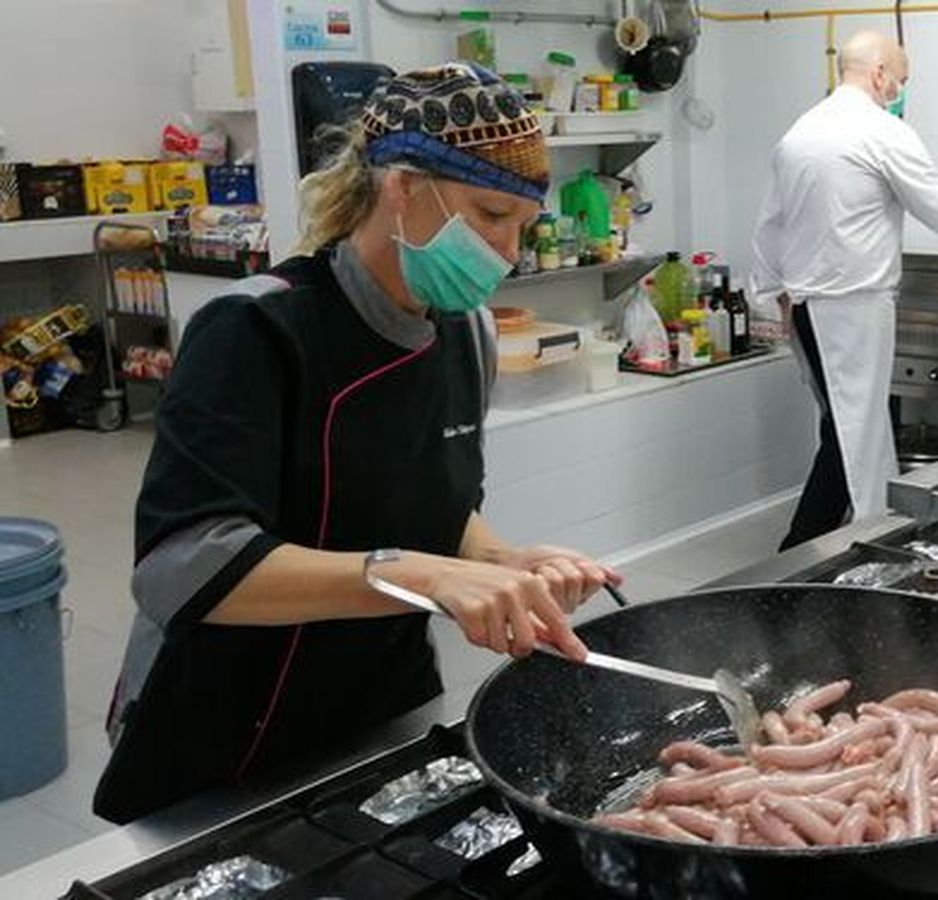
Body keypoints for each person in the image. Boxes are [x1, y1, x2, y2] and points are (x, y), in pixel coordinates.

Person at [93, 64, 619, 823]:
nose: (508, 251)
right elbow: (184, 566)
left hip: (382, 708)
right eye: (491, 214)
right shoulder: (257, 329)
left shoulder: (461, 330)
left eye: (523, 226)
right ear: (403, 188)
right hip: (228, 734)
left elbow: (427, 493)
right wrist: (417, 575)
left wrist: (496, 559)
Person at [752, 31, 938, 551]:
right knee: (858, 440)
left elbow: (770, 226)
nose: (901, 91)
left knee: (844, 430)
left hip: (805, 308)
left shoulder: (801, 131)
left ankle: (815, 546)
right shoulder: (880, 132)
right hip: (850, 309)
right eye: (902, 80)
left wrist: (774, 292)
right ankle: (832, 550)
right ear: (880, 74)